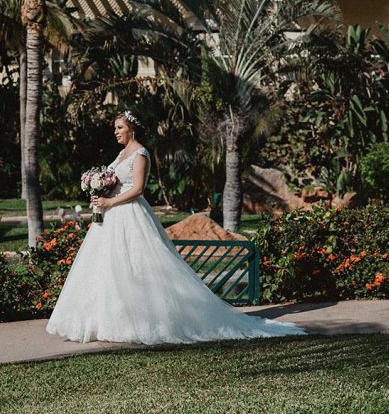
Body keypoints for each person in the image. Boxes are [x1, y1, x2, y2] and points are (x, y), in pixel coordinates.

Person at [46, 110, 305, 344]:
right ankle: (102, 321)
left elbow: (137, 189)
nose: (115, 132)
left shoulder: (140, 153)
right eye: (115, 128)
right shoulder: (121, 154)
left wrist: (109, 199)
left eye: (119, 128)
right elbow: (115, 181)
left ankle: (144, 321)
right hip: (110, 215)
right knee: (107, 266)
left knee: (138, 265)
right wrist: (98, 190)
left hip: (129, 214)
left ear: (131, 129)